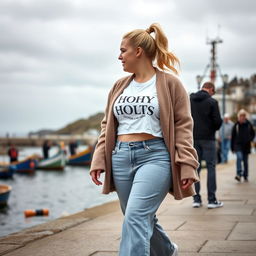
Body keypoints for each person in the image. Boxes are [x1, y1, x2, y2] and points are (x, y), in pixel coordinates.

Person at [90, 23, 199, 256]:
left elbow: (183, 126)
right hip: (120, 156)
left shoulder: (170, 84)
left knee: (136, 216)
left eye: (123, 51)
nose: (119, 56)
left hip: (155, 156)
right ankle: (167, 251)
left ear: (138, 51)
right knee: (138, 216)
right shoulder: (119, 86)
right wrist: (99, 158)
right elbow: (106, 125)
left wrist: (188, 165)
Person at [190, 82, 223, 209]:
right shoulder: (212, 102)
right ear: (210, 89)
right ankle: (211, 200)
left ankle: (196, 199)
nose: (212, 94)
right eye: (213, 92)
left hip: (193, 138)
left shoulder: (190, 100)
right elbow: (218, 122)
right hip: (208, 139)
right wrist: (211, 128)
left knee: (195, 169)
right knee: (211, 167)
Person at [231, 109, 255, 182]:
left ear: (245, 117)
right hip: (238, 145)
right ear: (239, 116)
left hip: (246, 146)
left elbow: (253, 134)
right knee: (239, 157)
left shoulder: (249, 124)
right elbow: (233, 137)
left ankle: (245, 175)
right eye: (241, 116)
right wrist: (232, 148)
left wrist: (250, 139)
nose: (242, 117)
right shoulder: (236, 125)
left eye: (243, 116)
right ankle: (238, 174)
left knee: (245, 161)